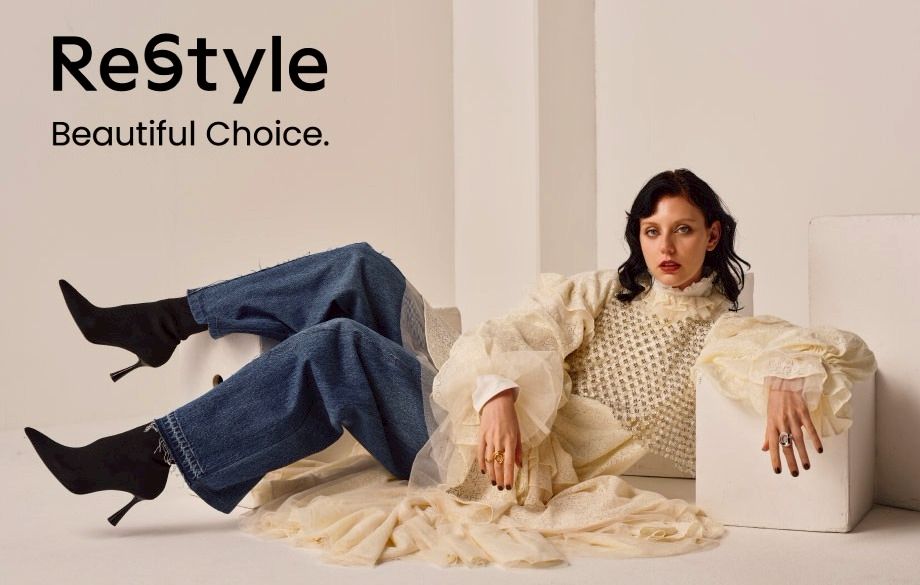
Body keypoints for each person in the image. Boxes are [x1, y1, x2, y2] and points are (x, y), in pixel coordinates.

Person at [24, 169, 876, 567]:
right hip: (474, 395)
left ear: (713, 235)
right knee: (360, 263)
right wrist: (497, 387)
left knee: (337, 347)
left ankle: (152, 454)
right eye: (653, 230)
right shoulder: (598, 291)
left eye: (684, 229)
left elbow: (818, 344)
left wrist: (786, 374)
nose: (667, 246)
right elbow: (518, 327)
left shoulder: (727, 330)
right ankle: (169, 320)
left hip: (499, 459)